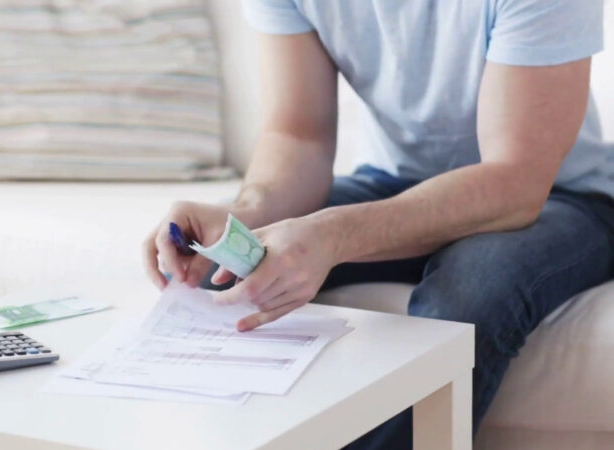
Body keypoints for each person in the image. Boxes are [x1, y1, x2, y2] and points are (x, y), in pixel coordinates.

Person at [143, 0, 613, 448]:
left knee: (466, 296)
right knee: (204, 272)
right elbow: (297, 137)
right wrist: (238, 224)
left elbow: (515, 181)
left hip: (560, 195)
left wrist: (338, 234)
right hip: (392, 181)